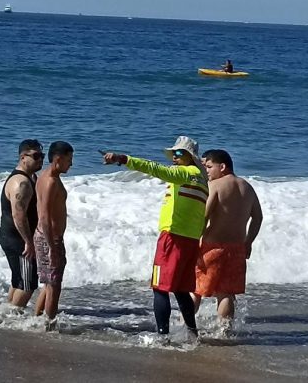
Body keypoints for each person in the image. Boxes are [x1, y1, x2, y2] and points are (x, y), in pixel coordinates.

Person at [102, 136, 208, 340]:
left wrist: (124, 159)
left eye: (179, 153)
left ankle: (162, 336)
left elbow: (156, 169)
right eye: (174, 154)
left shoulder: (185, 173)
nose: (175, 157)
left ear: (190, 156)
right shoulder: (202, 179)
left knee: (160, 288)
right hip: (191, 239)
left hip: (173, 236)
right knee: (181, 289)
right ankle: (193, 333)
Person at [191, 149, 262, 331]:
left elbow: (204, 216)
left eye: (209, 167)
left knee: (196, 290)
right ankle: (225, 330)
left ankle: (186, 326)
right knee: (226, 293)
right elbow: (258, 217)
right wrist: (248, 242)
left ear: (222, 167)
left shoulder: (215, 186)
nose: (206, 171)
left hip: (212, 247)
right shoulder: (247, 187)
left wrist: (194, 240)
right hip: (237, 248)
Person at [0, 139, 44, 309]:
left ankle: (6, 313)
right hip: (19, 241)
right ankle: (12, 318)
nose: (40, 160)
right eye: (36, 156)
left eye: (42, 156)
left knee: (18, 280)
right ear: (23, 157)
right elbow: (19, 216)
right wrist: (29, 242)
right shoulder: (21, 183)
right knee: (27, 285)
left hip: (12, 238)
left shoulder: (30, 177)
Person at [34, 141, 74, 330]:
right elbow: (44, 216)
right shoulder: (49, 181)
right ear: (58, 159)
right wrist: (52, 247)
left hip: (47, 237)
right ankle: (48, 325)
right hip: (49, 238)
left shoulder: (48, 176)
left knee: (49, 284)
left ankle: (37, 319)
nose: (71, 164)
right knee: (54, 285)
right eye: (69, 159)